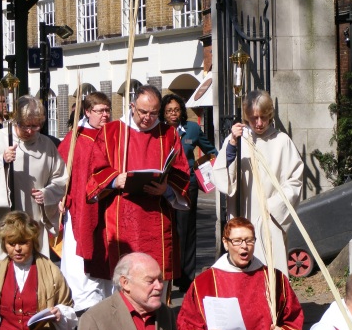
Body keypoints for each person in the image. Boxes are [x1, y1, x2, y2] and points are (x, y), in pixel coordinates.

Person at [85, 85, 190, 285]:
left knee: (154, 282)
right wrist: (115, 179)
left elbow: (181, 172)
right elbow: (95, 171)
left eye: (153, 113)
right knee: (125, 280)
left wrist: (166, 189)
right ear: (132, 106)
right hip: (120, 216)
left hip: (156, 218)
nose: (147, 118)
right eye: (142, 112)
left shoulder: (168, 134)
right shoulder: (111, 132)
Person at [0, 95, 67, 274]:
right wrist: (1, 161)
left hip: (32, 215)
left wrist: (47, 194)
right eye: (26, 125)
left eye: (35, 126)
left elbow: (60, 178)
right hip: (0, 218)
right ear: (16, 121)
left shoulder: (46, 145)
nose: (30, 131)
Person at [212, 90, 304, 275]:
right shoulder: (239, 140)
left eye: (263, 117)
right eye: (254, 118)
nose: (259, 123)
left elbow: (295, 180)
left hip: (270, 217)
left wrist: (273, 207)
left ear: (270, 115)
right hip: (244, 212)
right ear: (246, 117)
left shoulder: (282, 141)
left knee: (271, 267)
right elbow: (223, 175)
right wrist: (231, 145)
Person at [176, 217, 303, 330]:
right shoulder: (204, 282)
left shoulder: (274, 278)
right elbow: (187, 323)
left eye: (249, 240)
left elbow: (293, 318)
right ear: (226, 243)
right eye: (237, 241)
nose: (244, 246)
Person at [58, 92, 114, 314]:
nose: (105, 115)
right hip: (82, 208)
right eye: (100, 111)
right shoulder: (76, 139)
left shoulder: (115, 136)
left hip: (108, 209)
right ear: (87, 112)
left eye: (107, 110)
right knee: (79, 265)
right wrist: (61, 197)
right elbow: (60, 171)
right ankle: (83, 311)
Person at [160, 93, 218, 292]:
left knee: (186, 231)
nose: (173, 114)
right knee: (168, 230)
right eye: (168, 111)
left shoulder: (192, 129)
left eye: (176, 110)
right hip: (164, 186)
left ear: (182, 111)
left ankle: (186, 279)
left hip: (187, 185)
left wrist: (208, 171)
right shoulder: (159, 130)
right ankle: (169, 273)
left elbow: (211, 151)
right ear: (163, 113)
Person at [77, 252, 178, 330]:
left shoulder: (166, 313)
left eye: (160, 279)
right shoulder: (94, 319)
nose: (159, 286)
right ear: (125, 283)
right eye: (150, 281)